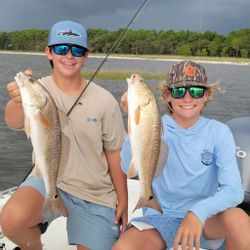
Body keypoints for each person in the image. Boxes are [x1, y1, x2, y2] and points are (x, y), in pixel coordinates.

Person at [0, 20, 128, 250]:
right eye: (61, 49)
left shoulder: (105, 100)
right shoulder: (36, 90)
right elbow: (14, 120)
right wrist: (19, 100)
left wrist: (124, 200)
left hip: (95, 193)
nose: (69, 55)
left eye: (77, 49)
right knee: (12, 219)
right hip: (50, 180)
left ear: (86, 55)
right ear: (48, 53)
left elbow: (114, 154)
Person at [112, 61, 250, 250]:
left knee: (240, 219)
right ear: (167, 95)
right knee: (123, 248)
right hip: (160, 217)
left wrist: (197, 213)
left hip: (206, 220)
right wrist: (133, 122)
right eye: (178, 91)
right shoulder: (153, 124)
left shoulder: (219, 132)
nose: (187, 98)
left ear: (206, 95)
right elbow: (126, 165)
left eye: (196, 91)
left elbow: (234, 191)